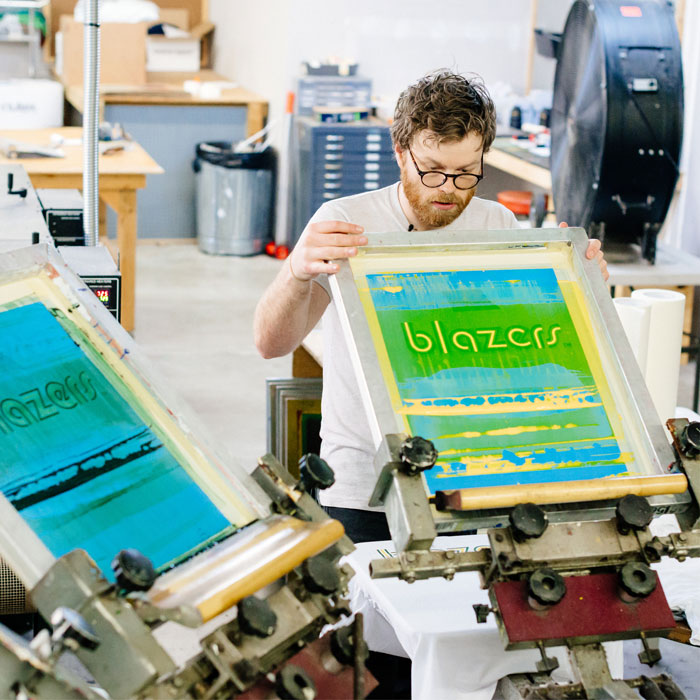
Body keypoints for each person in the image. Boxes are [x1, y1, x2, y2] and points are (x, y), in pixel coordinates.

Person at [254, 69, 609, 545]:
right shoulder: (344, 222)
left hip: (472, 472)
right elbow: (271, 343)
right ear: (400, 153)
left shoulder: (498, 224)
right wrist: (297, 270)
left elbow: (528, 349)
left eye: (466, 174)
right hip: (363, 485)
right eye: (432, 170)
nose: (448, 189)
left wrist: (578, 288)